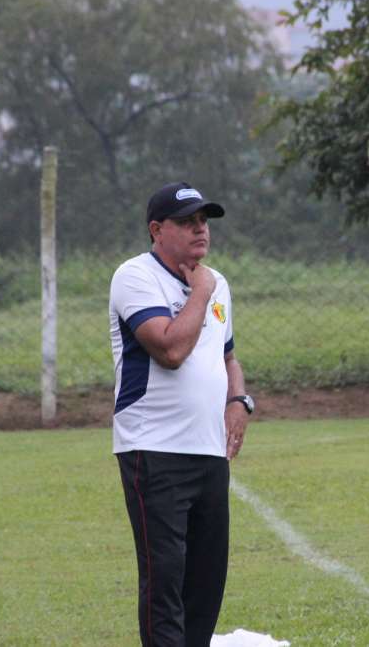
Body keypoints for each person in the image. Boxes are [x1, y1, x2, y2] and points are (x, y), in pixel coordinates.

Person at [109, 181, 256, 647]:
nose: (200, 230)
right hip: (153, 450)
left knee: (206, 585)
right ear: (157, 230)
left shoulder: (217, 285)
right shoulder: (134, 277)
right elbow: (170, 349)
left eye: (203, 221)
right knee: (165, 582)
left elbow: (228, 356)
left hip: (209, 450)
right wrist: (201, 291)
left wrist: (239, 400)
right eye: (187, 221)